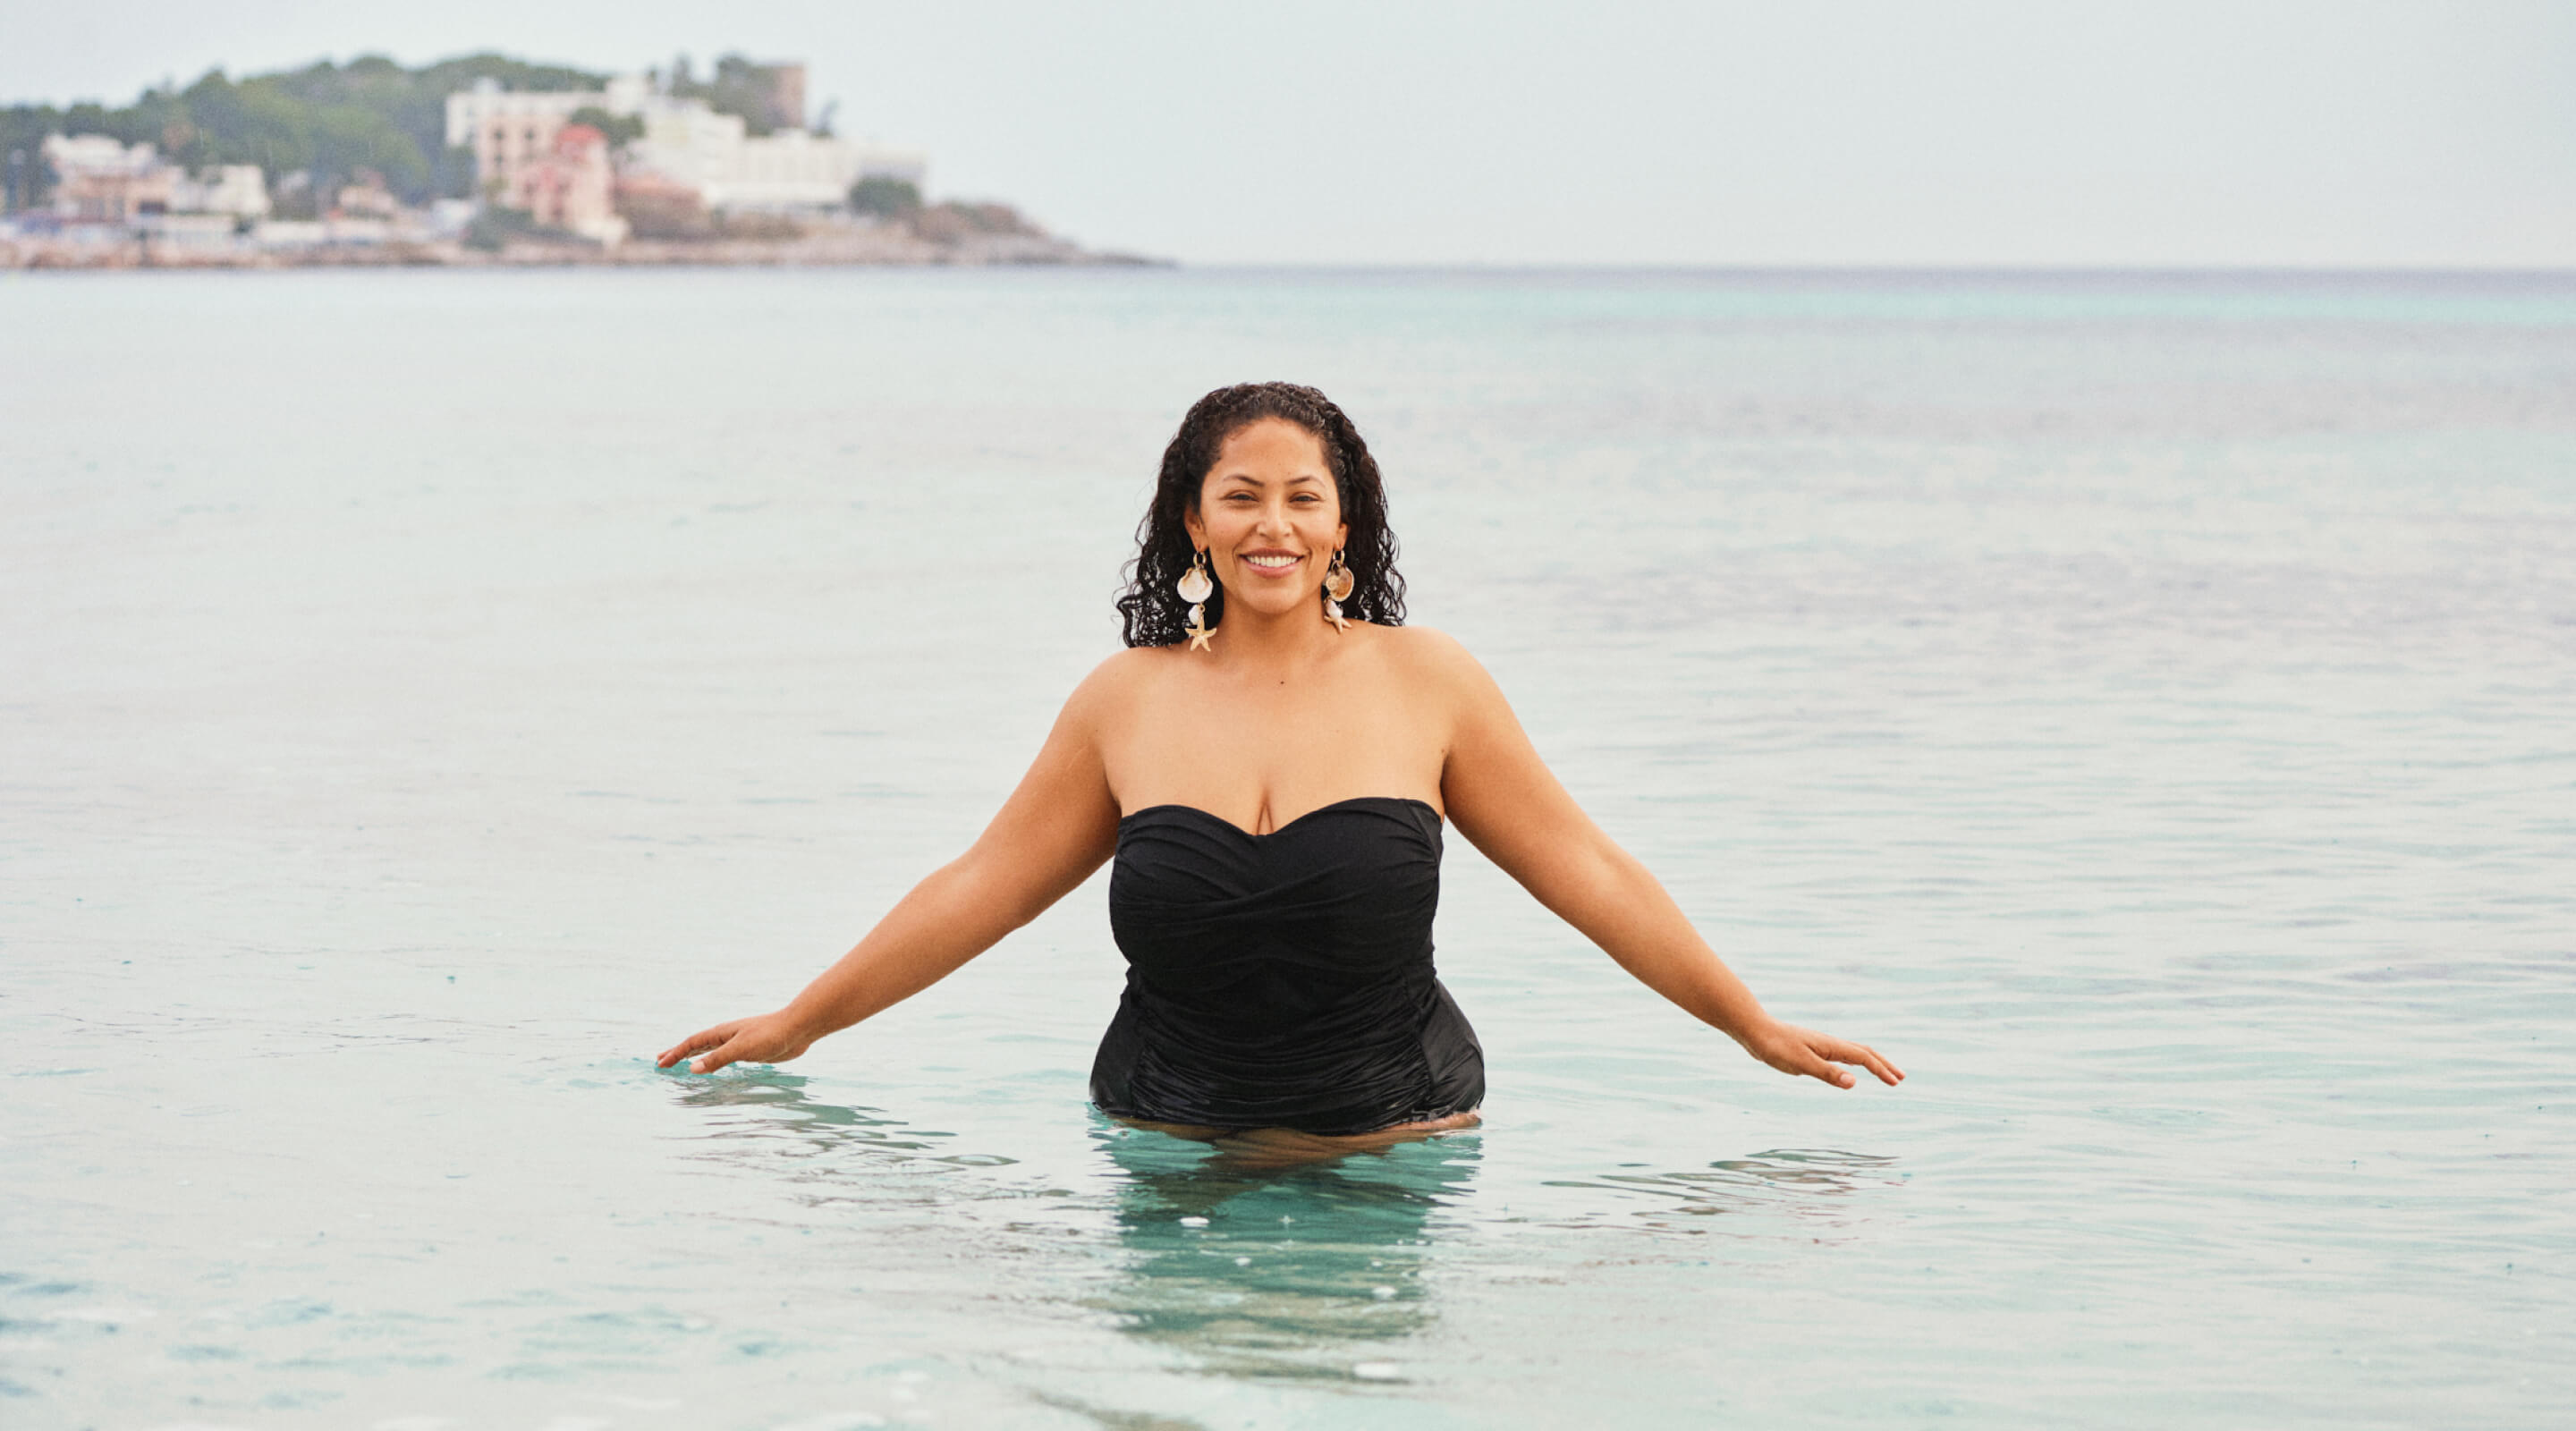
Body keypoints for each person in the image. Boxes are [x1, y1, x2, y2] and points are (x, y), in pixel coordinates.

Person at [658, 382, 1902, 1151]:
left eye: (1304, 499)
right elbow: (984, 887)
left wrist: (1748, 1026)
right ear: (1193, 523)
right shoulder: (1123, 702)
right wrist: (801, 1024)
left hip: (1397, 1144)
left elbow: (1583, 869)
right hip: (1163, 1148)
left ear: (1343, 523)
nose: (1274, 527)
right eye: (1241, 497)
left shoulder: (1432, 683)